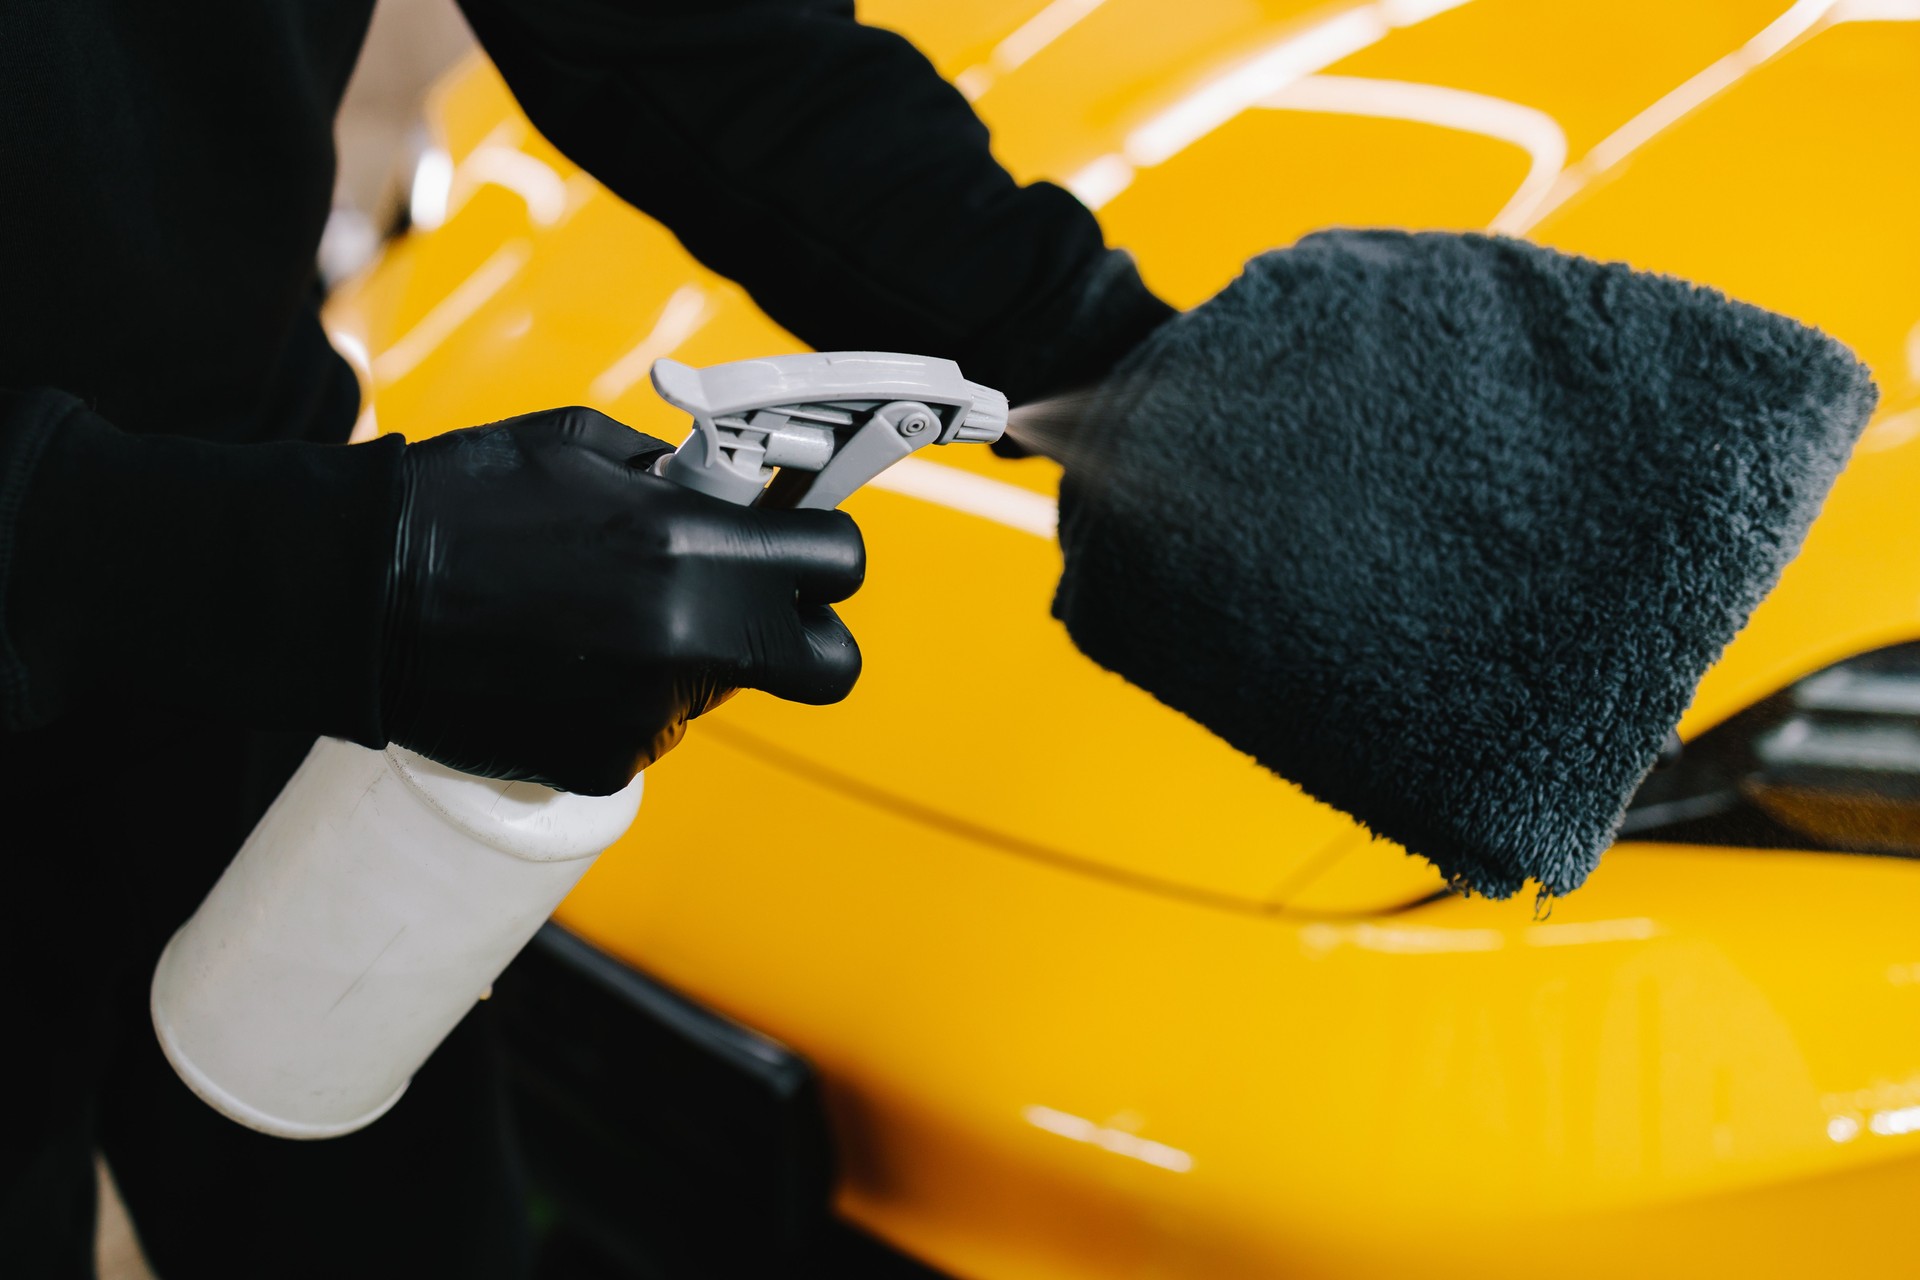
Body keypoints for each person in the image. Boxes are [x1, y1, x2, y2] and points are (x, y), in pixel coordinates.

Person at [0, 0, 1173, 1273]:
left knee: (402, 1224)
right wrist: (334, 574)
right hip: (262, 579)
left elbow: (676, 31)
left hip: (292, 633)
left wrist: (1110, 351)